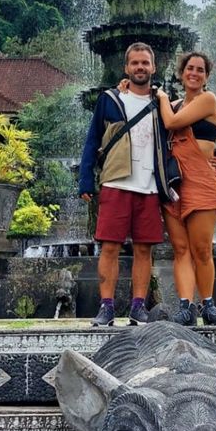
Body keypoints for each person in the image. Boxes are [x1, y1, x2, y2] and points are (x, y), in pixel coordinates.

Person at [78, 42, 174, 327]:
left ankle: (138, 307)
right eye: (135, 63)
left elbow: (185, 133)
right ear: (127, 67)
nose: (140, 67)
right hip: (116, 182)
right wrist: (85, 178)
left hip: (150, 186)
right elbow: (92, 139)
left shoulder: (162, 103)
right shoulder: (110, 99)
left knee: (145, 249)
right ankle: (106, 307)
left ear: (154, 68)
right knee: (110, 247)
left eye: (145, 63)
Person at [156, 50, 216, 327]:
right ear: (181, 73)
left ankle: (208, 305)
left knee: (201, 248)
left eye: (200, 70)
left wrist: (161, 98)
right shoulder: (173, 104)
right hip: (175, 183)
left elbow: (172, 124)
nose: (194, 73)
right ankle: (185, 307)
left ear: (206, 76)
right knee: (180, 248)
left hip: (200, 181)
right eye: (190, 68)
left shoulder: (206, 100)